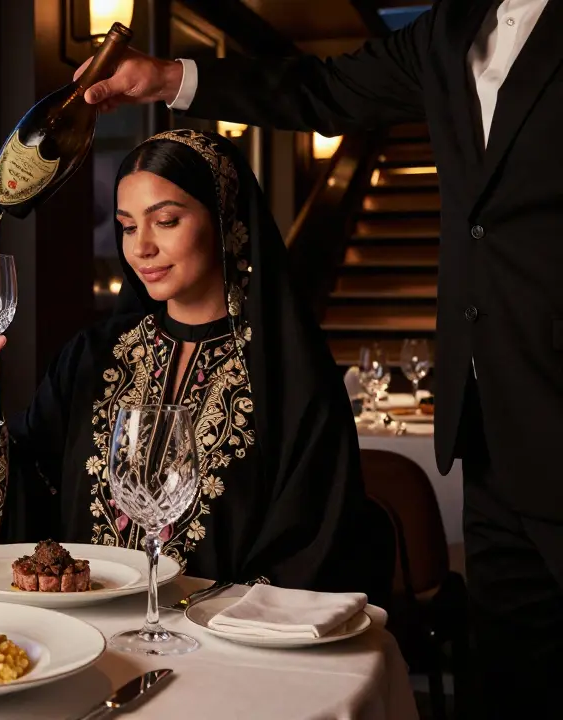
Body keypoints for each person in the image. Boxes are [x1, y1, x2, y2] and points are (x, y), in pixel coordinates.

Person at [74, 1, 563, 707]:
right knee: (514, 686)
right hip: (486, 427)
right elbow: (320, 89)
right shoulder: (451, 28)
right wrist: (167, 78)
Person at [0, 130, 384, 598]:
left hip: (221, 648)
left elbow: (313, 550)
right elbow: (24, 504)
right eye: (128, 227)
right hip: (86, 638)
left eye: (165, 221)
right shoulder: (94, 355)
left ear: (225, 220)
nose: (140, 247)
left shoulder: (289, 375)